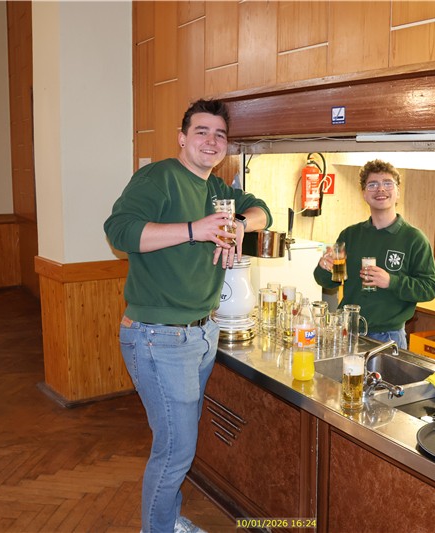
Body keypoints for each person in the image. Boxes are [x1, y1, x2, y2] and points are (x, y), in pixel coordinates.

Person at [104, 99, 271, 533]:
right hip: (157, 335)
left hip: (201, 333)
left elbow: (263, 210)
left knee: (180, 441)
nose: (211, 141)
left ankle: (167, 520)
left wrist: (239, 224)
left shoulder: (219, 191)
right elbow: (118, 231)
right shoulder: (158, 178)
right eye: (201, 131)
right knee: (175, 450)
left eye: (220, 134)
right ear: (182, 138)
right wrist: (197, 229)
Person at [313, 159, 435, 350]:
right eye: (372, 184)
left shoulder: (414, 239)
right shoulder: (350, 235)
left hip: (388, 336)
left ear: (397, 192)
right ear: (364, 194)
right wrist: (324, 267)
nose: (380, 189)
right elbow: (329, 282)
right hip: (348, 332)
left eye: (387, 183)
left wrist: (391, 281)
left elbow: (429, 288)